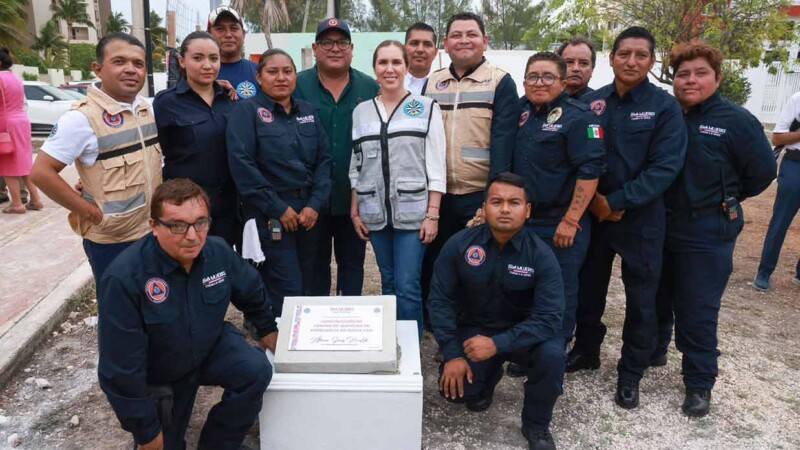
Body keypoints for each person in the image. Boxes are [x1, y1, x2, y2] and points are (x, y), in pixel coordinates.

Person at [97, 178, 278, 450]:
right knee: (160, 445)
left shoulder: (217, 252)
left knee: (255, 369)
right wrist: (145, 431)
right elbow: (120, 369)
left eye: (201, 222)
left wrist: (267, 330)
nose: (192, 235)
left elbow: (250, 289)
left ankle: (220, 443)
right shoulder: (124, 278)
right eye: (177, 226)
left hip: (207, 348)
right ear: (154, 227)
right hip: (162, 372)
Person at [653, 41, 776, 418]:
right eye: (683, 74)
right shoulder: (667, 113)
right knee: (656, 295)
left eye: (700, 73)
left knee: (697, 308)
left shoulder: (735, 120)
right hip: (661, 224)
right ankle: (655, 349)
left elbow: (762, 173)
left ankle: (699, 382)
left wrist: (727, 196)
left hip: (707, 229)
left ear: (718, 78)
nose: (690, 80)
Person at [567, 27, 687, 409]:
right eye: (624, 54)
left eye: (640, 55)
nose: (631, 61)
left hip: (641, 220)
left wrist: (616, 200)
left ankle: (630, 372)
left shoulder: (664, 107)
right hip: (596, 218)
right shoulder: (594, 104)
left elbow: (665, 167)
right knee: (589, 290)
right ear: (612, 58)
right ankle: (587, 350)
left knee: (642, 299)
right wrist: (596, 204)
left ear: (652, 61)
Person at [429, 172, 565, 450]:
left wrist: (497, 344)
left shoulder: (541, 255)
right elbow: (439, 301)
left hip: (526, 335)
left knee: (553, 355)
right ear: (484, 207)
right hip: (476, 331)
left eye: (514, 202)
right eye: (496, 201)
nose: (504, 209)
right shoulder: (459, 244)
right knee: (456, 393)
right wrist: (453, 353)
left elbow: (550, 318)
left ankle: (536, 426)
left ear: (527, 211)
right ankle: (487, 378)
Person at [31, 33, 162, 284]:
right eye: (119, 61)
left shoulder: (146, 109)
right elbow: (41, 173)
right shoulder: (82, 119)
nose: (130, 70)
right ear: (98, 69)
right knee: (118, 311)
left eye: (138, 64)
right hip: (112, 240)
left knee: (152, 302)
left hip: (149, 231)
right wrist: (91, 213)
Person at [508, 52, 604, 377]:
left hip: (561, 223)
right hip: (524, 222)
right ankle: (526, 351)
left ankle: (551, 359)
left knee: (559, 292)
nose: (539, 82)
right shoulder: (520, 111)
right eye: (533, 76)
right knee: (523, 286)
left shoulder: (580, 116)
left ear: (563, 82)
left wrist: (572, 219)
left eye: (548, 76)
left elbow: (590, 170)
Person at [421, 12, 520, 317]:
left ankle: (472, 324)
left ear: (485, 42)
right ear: (445, 45)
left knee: (474, 264)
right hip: (437, 194)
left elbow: (504, 143)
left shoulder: (500, 82)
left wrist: (491, 198)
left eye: (472, 34)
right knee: (436, 261)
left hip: (477, 194)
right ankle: (436, 322)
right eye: (456, 35)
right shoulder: (433, 84)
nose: (464, 40)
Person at [349, 40, 446, 339]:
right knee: (388, 281)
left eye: (396, 63)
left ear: (406, 68)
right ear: (375, 69)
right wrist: (355, 210)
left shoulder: (426, 108)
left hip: (414, 212)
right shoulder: (362, 111)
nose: (389, 69)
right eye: (383, 63)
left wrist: (433, 214)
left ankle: (410, 353)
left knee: (407, 284)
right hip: (374, 210)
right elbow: (357, 165)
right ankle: (390, 344)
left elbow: (437, 165)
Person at [228, 49, 332, 315]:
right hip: (271, 214)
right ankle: (278, 347)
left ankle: (310, 345)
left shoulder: (308, 111)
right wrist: (277, 208)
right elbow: (243, 167)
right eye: (272, 72)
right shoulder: (246, 112)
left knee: (314, 281)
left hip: (309, 212)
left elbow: (324, 161)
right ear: (259, 77)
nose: (281, 78)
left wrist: (315, 205)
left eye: (287, 71)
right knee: (285, 287)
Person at [295, 18, 379, 296]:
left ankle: (349, 322)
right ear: (315, 48)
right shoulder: (297, 85)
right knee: (314, 266)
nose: (335, 48)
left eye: (342, 42)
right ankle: (316, 326)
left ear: (352, 48)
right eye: (327, 42)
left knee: (353, 265)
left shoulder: (369, 88)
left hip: (353, 196)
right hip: (309, 198)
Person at [153, 31, 240, 248]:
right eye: (198, 58)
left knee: (224, 264)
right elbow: (152, 152)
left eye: (213, 58)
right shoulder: (166, 103)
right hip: (186, 209)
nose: (207, 65)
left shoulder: (230, 99)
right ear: (182, 61)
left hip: (229, 206)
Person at [752, 90, 800, 291]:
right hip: (796, 164)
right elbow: (777, 138)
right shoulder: (797, 99)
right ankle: (764, 271)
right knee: (780, 220)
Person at [0, 47, 44, 214]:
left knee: (8, 164)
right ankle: (36, 199)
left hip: (6, 122)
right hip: (22, 122)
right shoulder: (15, 78)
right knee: (24, 162)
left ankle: (17, 204)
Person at [207, 5, 259, 100]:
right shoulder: (199, 74)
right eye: (220, 29)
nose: (228, 35)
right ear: (209, 35)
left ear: (243, 35)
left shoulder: (259, 73)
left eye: (234, 28)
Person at [404, 22, 438, 95]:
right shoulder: (387, 86)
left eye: (427, 44)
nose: (420, 50)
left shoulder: (445, 87)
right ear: (404, 49)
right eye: (414, 43)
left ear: (435, 52)